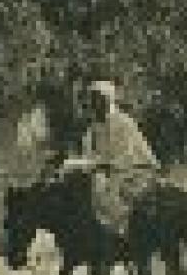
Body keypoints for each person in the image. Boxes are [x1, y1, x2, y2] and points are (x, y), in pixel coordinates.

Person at [62, 79, 160, 234]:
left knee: (108, 189)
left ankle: (119, 230)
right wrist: (75, 164)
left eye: (96, 100)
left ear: (107, 101)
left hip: (138, 169)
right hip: (111, 169)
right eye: (91, 100)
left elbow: (121, 157)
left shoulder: (123, 123)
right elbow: (91, 154)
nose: (92, 105)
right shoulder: (94, 126)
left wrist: (89, 164)